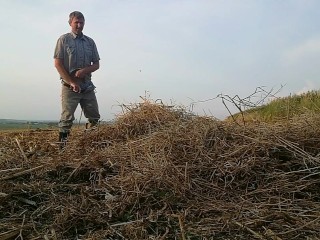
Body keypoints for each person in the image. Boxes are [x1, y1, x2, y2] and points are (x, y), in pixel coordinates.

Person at [54, 11, 101, 146]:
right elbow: (57, 63)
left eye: (81, 22)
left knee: (94, 117)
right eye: (76, 22)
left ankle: (90, 145)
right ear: (70, 23)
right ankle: (63, 150)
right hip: (69, 87)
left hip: (87, 86)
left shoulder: (90, 42)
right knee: (67, 119)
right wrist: (71, 82)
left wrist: (84, 71)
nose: (79, 25)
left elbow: (97, 65)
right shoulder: (63, 40)